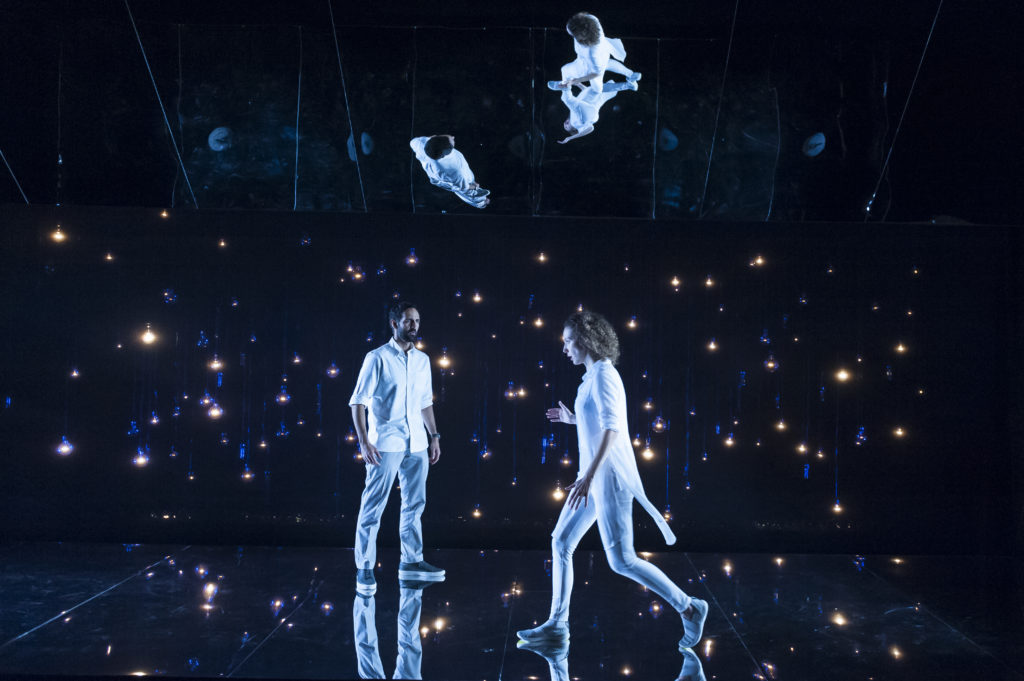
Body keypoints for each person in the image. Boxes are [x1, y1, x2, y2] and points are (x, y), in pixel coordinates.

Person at [516, 310, 708, 649]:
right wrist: (573, 419)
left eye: (568, 341)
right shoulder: (590, 377)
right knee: (561, 542)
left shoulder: (605, 376)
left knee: (622, 561)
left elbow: (613, 428)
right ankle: (557, 626)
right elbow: (597, 420)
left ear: (586, 340)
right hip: (591, 478)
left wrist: (589, 476)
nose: (564, 349)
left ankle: (689, 608)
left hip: (609, 479)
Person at [350, 302, 445, 596]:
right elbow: (358, 401)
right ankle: (365, 567)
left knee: (415, 505)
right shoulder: (376, 358)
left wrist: (434, 436)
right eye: (408, 321)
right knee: (373, 506)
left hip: (416, 442)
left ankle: (412, 561)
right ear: (394, 323)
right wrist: (364, 441)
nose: (414, 325)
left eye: (417, 320)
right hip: (386, 443)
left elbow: (425, 402)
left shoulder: (423, 360)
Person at [548, 13, 641, 96]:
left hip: (593, 65)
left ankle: (629, 85)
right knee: (607, 63)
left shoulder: (591, 52)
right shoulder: (592, 19)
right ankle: (630, 74)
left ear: (582, 35)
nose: (573, 37)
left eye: (573, 35)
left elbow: (596, 73)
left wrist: (575, 81)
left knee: (597, 89)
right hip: (604, 54)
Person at [410, 135, 490, 208]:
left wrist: (433, 138)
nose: (453, 137)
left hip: (437, 174)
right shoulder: (454, 171)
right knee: (467, 191)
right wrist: (475, 186)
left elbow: (413, 142)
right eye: (452, 142)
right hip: (448, 178)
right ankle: (481, 203)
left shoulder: (420, 143)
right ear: (445, 152)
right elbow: (463, 187)